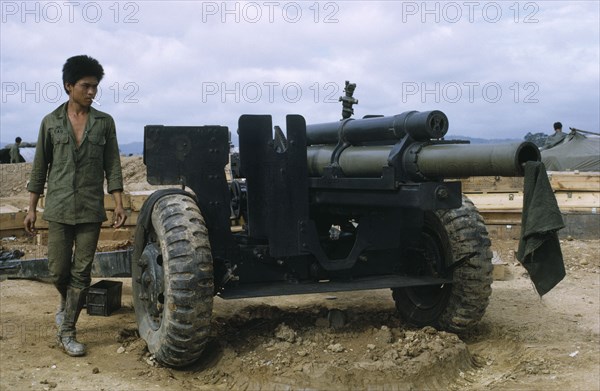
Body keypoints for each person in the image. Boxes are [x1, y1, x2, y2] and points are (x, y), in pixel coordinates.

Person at [24, 55, 127, 357]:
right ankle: (65, 302)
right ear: (69, 86)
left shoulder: (104, 123)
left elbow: (113, 166)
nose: (92, 92)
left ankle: (67, 330)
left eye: (96, 87)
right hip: (57, 209)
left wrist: (118, 204)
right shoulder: (50, 123)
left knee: (81, 274)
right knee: (58, 271)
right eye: (86, 86)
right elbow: (39, 169)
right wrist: (31, 208)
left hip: (90, 211)